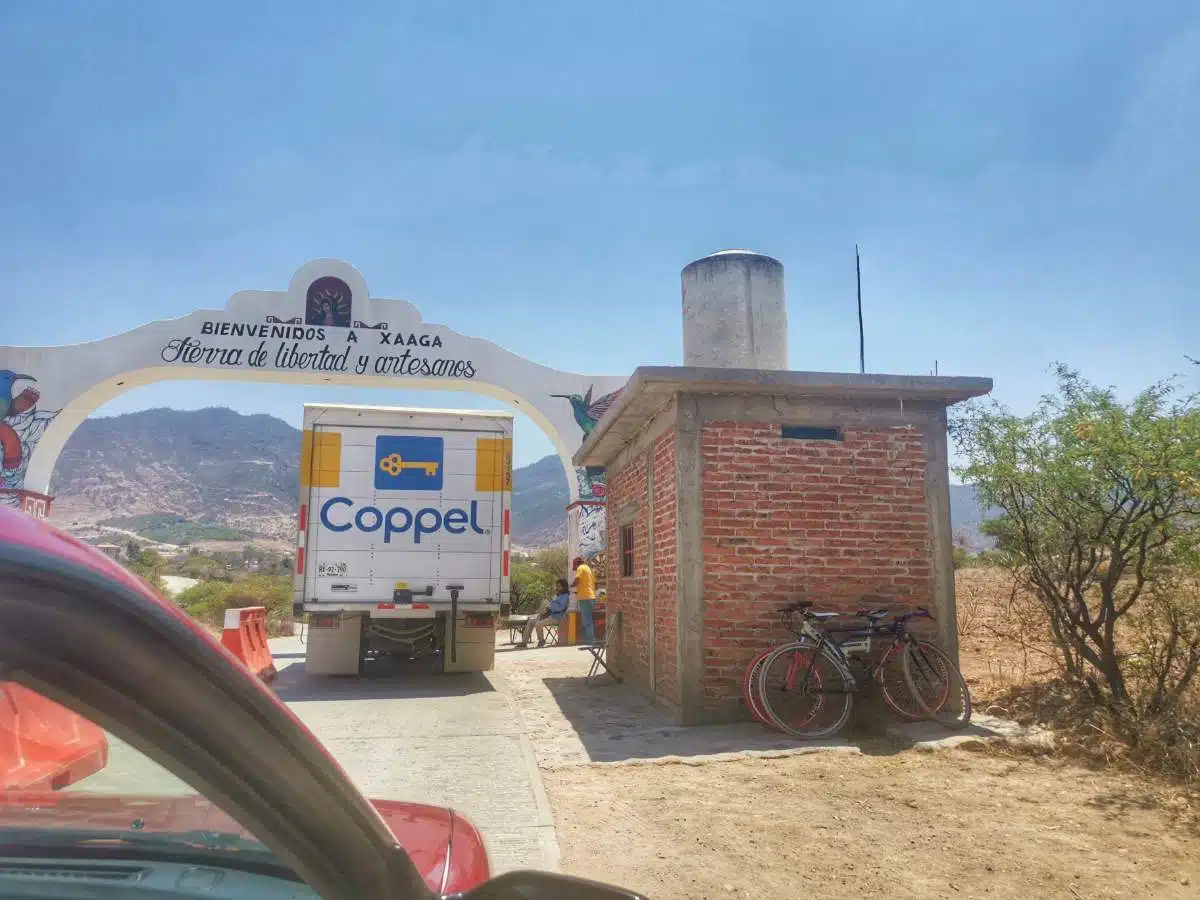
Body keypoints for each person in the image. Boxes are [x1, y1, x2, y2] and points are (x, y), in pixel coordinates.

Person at [517, 578, 569, 648]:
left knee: (538, 624)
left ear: (564, 587)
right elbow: (552, 605)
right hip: (550, 615)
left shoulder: (565, 596)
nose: (557, 588)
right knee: (531, 621)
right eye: (557, 586)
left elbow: (560, 608)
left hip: (557, 617)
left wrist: (551, 603)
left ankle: (541, 640)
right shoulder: (557, 596)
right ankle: (524, 642)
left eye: (559, 586)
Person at [571, 556, 597, 644]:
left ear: (577, 564)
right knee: (588, 618)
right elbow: (590, 583)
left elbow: (577, 579)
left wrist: (571, 586)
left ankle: (591, 640)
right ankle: (591, 639)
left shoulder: (580, 568)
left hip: (585, 597)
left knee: (587, 619)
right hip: (591, 596)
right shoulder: (588, 569)